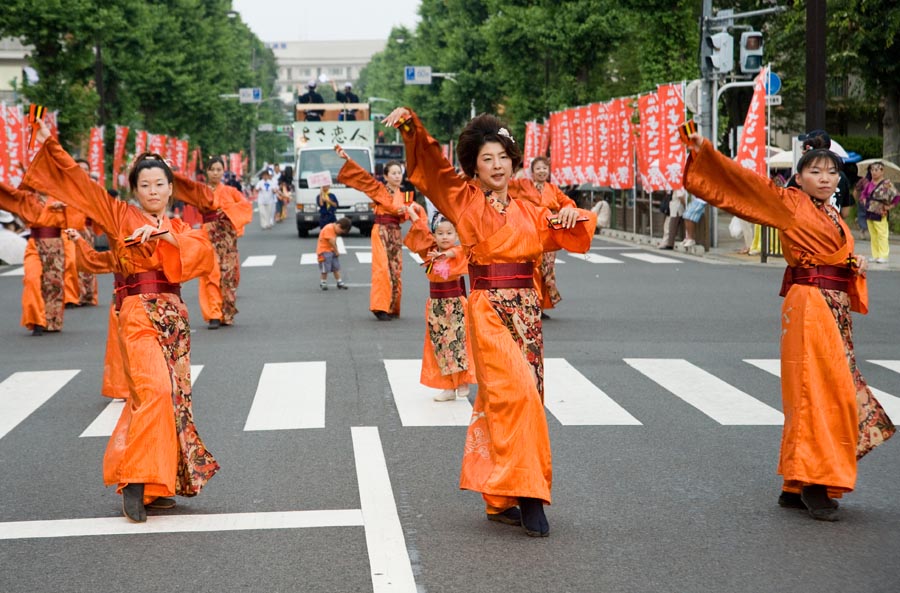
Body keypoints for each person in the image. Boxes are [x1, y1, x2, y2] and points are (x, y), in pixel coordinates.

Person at [383, 108, 596, 537]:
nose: (497, 166)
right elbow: (434, 170)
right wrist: (413, 130)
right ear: (474, 167)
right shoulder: (463, 200)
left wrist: (575, 216)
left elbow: (565, 228)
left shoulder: (530, 208)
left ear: (513, 159)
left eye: (502, 156)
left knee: (507, 399)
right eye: (487, 159)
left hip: (527, 312)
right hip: (487, 309)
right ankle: (531, 495)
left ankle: (499, 498)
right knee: (518, 394)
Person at [683, 130, 894, 522]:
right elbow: (747, 186)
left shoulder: (828, 211)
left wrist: (852, 263)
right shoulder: (790, 204)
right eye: (816, 171)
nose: (826, 178)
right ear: (799, 178)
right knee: (819, 391)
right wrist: (708, 155)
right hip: (811, 304)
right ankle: (815, 482)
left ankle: (797, 483)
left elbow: (835, 253)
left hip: (829, 305)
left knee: (822, 389)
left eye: (832, 172)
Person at [24, 118, 219, 523]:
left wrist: (166, 237)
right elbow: (81, 184)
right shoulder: (118, 215)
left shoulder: (181, 226)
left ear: (170, 188)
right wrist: (53, 145)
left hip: (174, 319)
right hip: (137, 315)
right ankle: (135, 480)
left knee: (170, 400)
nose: (153, 191)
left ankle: (157, 485)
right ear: (134, 190)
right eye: (145, 185)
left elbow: (201, 255)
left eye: (159, 184)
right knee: (156, 391)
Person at [404, 205, 475, 401]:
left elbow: (460, 251)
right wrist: (412, 216)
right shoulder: (431, 252)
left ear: (457, 235)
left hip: (455, 304)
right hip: (436, 304)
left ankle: (462, 381)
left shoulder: (458, 251)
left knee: (458, 342)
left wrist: (447, 255)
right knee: (440, 344)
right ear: (435, 236)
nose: (445, 237)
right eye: (440, 233)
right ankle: (448, 387)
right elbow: (421, 233)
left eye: (449, 233)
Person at [173, 156, 253, 328]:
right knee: (211, 272)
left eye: (219, 170)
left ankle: (226, 312)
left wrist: (228, 211)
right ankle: (214, 313)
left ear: (223, 171)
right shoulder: (201, 191)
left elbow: (245, 206)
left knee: (228, 275)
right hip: (208, 234)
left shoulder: (231, 191)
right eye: (212, 169)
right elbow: (185, 187)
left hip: (227, 236)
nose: (215, 173)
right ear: (207, 172)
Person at [336, 150, 410, 321]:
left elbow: (406, 215)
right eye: (394, 173)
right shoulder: (378, 189)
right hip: (381, 230)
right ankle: (379, 307)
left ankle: (391, 306)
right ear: (386, 176)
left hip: (395, 233)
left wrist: (407, 212)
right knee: (382, 269)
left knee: (395, 269)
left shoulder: (405, 194)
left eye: (399, 173)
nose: (397, 176)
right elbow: (363, 179)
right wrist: (348, 159)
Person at [66, 228, 129, 400]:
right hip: (124, 300)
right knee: (120, 343)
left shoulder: (158, 242)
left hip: (155, 302)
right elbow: (94, 260)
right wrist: (79, 240)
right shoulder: (118, 253)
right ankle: (122, 386)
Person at [510, 156, 576, 319]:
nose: (541, 171)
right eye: (538, 168)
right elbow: (505, 187)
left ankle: (540, 304)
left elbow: (567, 202)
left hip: (549, 234)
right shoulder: (522, 185)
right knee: (531, 267)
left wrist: (567, 210)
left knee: (546, 269)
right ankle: (531, 303)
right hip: (527, 231)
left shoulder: (553, 189)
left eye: (544, 168)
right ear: (532, 172)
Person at [0, 181, 70, 335]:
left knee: (53, 284)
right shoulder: (27, 198)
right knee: (32, 279)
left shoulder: (61, 196)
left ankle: (51, 320)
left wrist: (64, 208)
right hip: (34, 245)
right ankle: (36, 319)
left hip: (56, 244)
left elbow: (77, 216)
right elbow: (8, 193)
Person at [859, 161, 899, 263]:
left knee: (882, 234)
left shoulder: (887, 183)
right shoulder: (869, 183)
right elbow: (863, 194)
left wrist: (890, 206)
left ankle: (883, 255)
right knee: (873, 234)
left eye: (876, 170)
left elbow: (896, 196)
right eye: (872, 170)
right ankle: (875, 254)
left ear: (882, 171)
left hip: (880, 211)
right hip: (869, 210)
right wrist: (863, 199)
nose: (873, 172)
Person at [316, 217, 351, 290]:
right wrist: (336, 251)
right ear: (338, 225)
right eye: (341, 231)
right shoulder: (329, 228)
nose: (340, 233)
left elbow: (334, 242)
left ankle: (339, 282)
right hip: (324, 251)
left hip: (331, 251)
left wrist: (335, 250)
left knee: (336, 267)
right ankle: (323, 282)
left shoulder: (334, 230)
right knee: (325, 268)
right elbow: (331, 241)